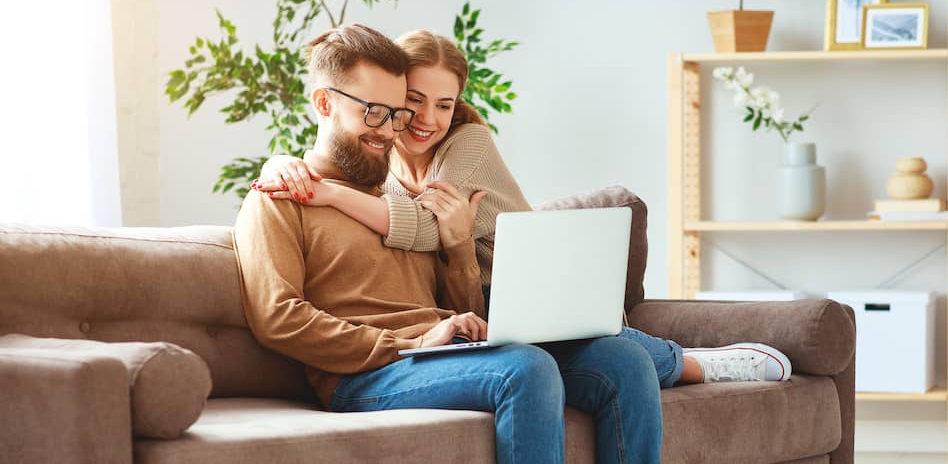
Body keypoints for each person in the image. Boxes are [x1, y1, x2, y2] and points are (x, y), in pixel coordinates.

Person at [255, 29, 793, 387]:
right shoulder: (379, 163)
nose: (420, 119)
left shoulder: (466, 145)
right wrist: (284, 158)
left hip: (524, 291)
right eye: (407, 104)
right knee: (552, 362)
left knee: (611, 351)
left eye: (442, 105)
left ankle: (694, 363)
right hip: (473, 314)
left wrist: (326, 192)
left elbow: (422, 229)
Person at [235, 24, 663, 463]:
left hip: (446, 352)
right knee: (525, 370)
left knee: (625, 362)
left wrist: (458, 251)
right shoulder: (279, 198)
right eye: (373, 112)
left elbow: (466, 308)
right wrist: (411, 344)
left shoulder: (399, 203)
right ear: (324, 103)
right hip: (366, 374)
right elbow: (278, 317)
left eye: (396, 114)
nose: (388, 130)